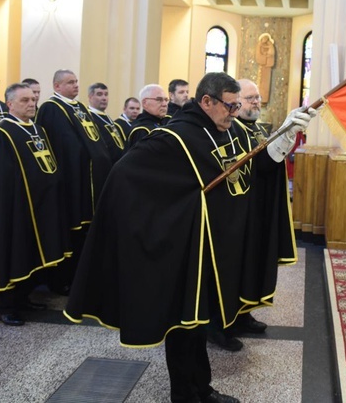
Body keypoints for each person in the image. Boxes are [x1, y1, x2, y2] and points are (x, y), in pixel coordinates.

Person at [64, 72, 315, 403]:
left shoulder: (218, 132)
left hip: (210, 249)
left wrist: (286, 133)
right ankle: (185, 395)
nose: (235, 112)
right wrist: (180, 209)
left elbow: (253, 169)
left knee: (198, 325)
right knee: (184, 327)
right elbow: (124, 177)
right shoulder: (176, 137)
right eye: (230, 105)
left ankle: (201, 389)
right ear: (207, 101)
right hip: (183, 252)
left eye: (238, 105)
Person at [0, 83, 70, 326]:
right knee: (13, 250)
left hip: (39, 205)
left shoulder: (37, 129)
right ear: (10, 104)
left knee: (31, 255)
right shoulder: (1, 133)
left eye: (33, 99)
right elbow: (3, 178)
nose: (31, 103)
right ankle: (5, 305)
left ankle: (23, 298)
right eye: (24, 100)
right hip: (14, 207)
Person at [206, 79, 296, 352]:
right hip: (233, 217)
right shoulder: (229, 131)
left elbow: (267, 166)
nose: (256, 101)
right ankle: (218, 328)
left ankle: (242, 315)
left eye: (258, 97)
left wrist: (284, 136)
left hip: (255, 212)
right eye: (249, 98)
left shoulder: (254, 129)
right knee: (228, 272)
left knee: (249, 266)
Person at [35, 69, 112, 294]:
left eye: (76, 82)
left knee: (86, 232)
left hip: (89, 180)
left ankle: (83, 277)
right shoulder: (51, 108)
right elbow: (65, 145)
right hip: (72, 181)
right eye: (70, 82)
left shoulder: (78, 108)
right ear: (57, 86)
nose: (76, 86)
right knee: (71, 231)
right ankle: (62, 280)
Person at [87, 82, 125, 163]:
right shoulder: (89, 117)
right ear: (90, 97)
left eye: (106, 94)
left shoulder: (106, 117)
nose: (104, 98)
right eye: (99, 94)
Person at [127, 84, 169, 149]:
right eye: (159, 100)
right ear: (144, 103)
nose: (164, 104)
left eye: (166, 100)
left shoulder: (163, 123)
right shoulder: (142, 130)